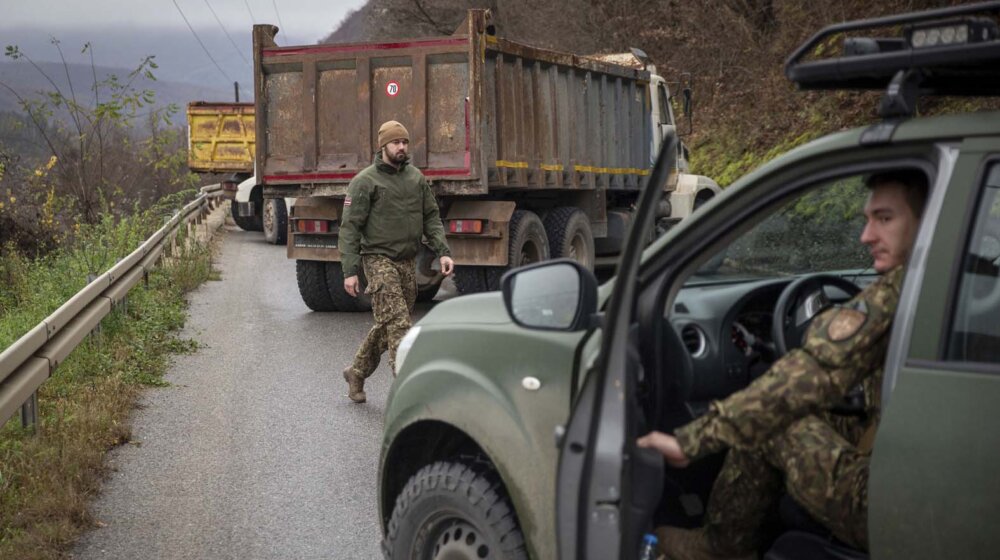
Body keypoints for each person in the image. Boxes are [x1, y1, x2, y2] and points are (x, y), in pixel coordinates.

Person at [637, 170, 928, 560]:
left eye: (885, 218)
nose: (867, 236)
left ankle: (718, 548)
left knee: (772, 420)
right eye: (867, 219)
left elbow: (809, 373)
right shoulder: (951, 279)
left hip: (894, 502)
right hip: (924, 467)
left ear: (925, 219)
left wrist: (691, 440)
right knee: (805, 410)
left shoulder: (900, 290)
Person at [340, 120, 454, 403]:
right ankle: (408, 391)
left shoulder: (416, 178)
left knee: (387, 324)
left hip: (406, 261)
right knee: (400, 324)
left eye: (404, 142)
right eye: (395, 143)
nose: (402, 147)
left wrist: (443, 250)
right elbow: (350, 228)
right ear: (383, 146)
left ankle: (356, 371)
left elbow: (431, 217)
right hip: (377, 260)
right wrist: (350, 271)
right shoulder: (365, 182)